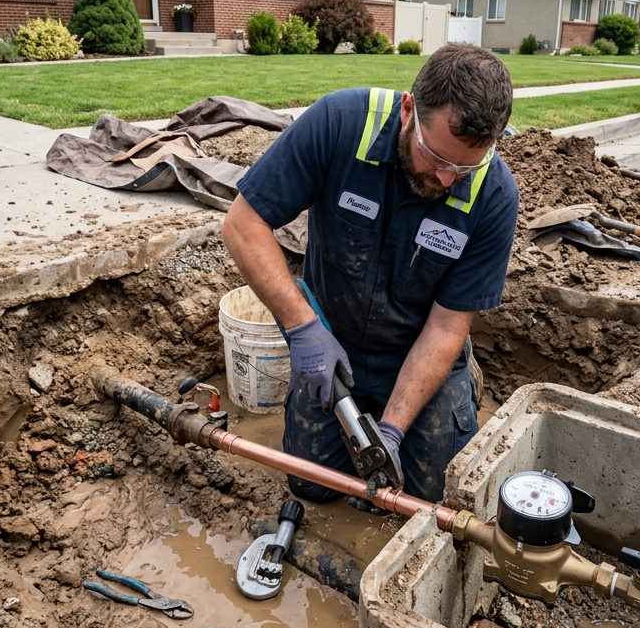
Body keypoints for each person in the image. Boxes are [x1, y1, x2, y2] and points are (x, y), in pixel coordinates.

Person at [221, 43, 519, 505]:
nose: (446, 179)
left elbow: (446, 326)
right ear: (408, 110)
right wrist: (304, 330)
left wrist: (391, 433)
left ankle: (456, 388)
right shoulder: (338, 123)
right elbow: (243, 224)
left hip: (421, 351)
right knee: (311, 486)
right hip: (332, 347)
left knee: (434, 498)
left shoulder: (494, 194)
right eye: (436, 158)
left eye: (465, 167)